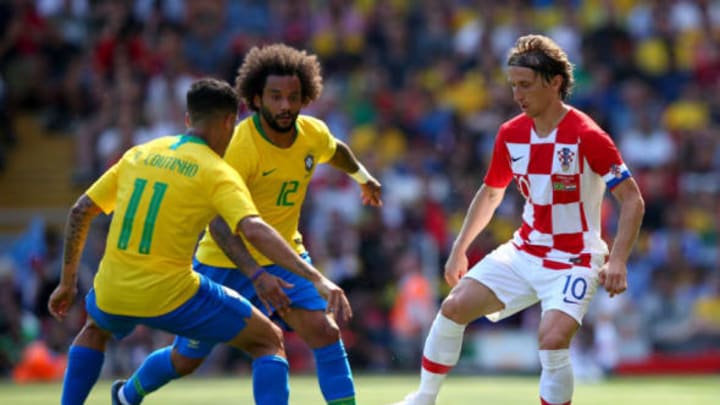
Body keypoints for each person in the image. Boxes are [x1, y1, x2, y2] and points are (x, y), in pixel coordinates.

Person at [48, 78, 350, 405]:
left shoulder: (139, 153)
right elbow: (254, 230)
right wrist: (316, 278)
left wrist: (67, 283)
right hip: (173, 294)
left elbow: (81, 211)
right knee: (268, 340)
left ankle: (115, 398)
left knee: (95, 329)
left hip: (113, 290)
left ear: (188, 120)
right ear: (228, 123)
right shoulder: (216, 172)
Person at [118, 43, 382, 405]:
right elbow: (219, 227)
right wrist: (257, 274)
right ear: (256, 98)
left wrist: (363, 177)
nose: (286, 106)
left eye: (293, 97)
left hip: (284, 255)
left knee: (324, 331)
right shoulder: (239, 147)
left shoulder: (312, 133)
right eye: (275, 97)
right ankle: (128, 394)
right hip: (223, 263)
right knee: (187, 358)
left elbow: (335, 149)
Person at [393, 34, 645, 405]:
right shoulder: (511, 134)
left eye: (525, 85)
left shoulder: (587, 135)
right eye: (513, 86)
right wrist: (459, 249)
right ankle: (424, 398)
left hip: (576, 258)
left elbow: (633, 200)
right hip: (525, 251)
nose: (517, 95)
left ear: (555, 82)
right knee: (454, 306)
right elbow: (491, 192)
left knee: (553, 338)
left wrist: (618, 259)